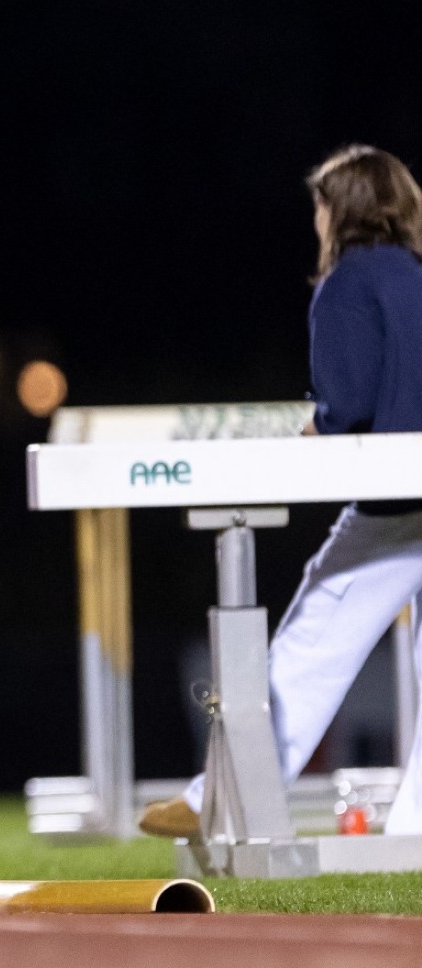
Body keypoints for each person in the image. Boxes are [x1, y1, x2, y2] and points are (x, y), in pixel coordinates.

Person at [138, 144, 422, 840]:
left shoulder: (347, 280)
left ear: (338, 209)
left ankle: (220, 798)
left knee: (308, 646)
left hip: (397, 503)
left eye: (319, 207)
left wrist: (314, 428)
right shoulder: (416, 274)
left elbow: (347, 404)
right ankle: (413, 831)